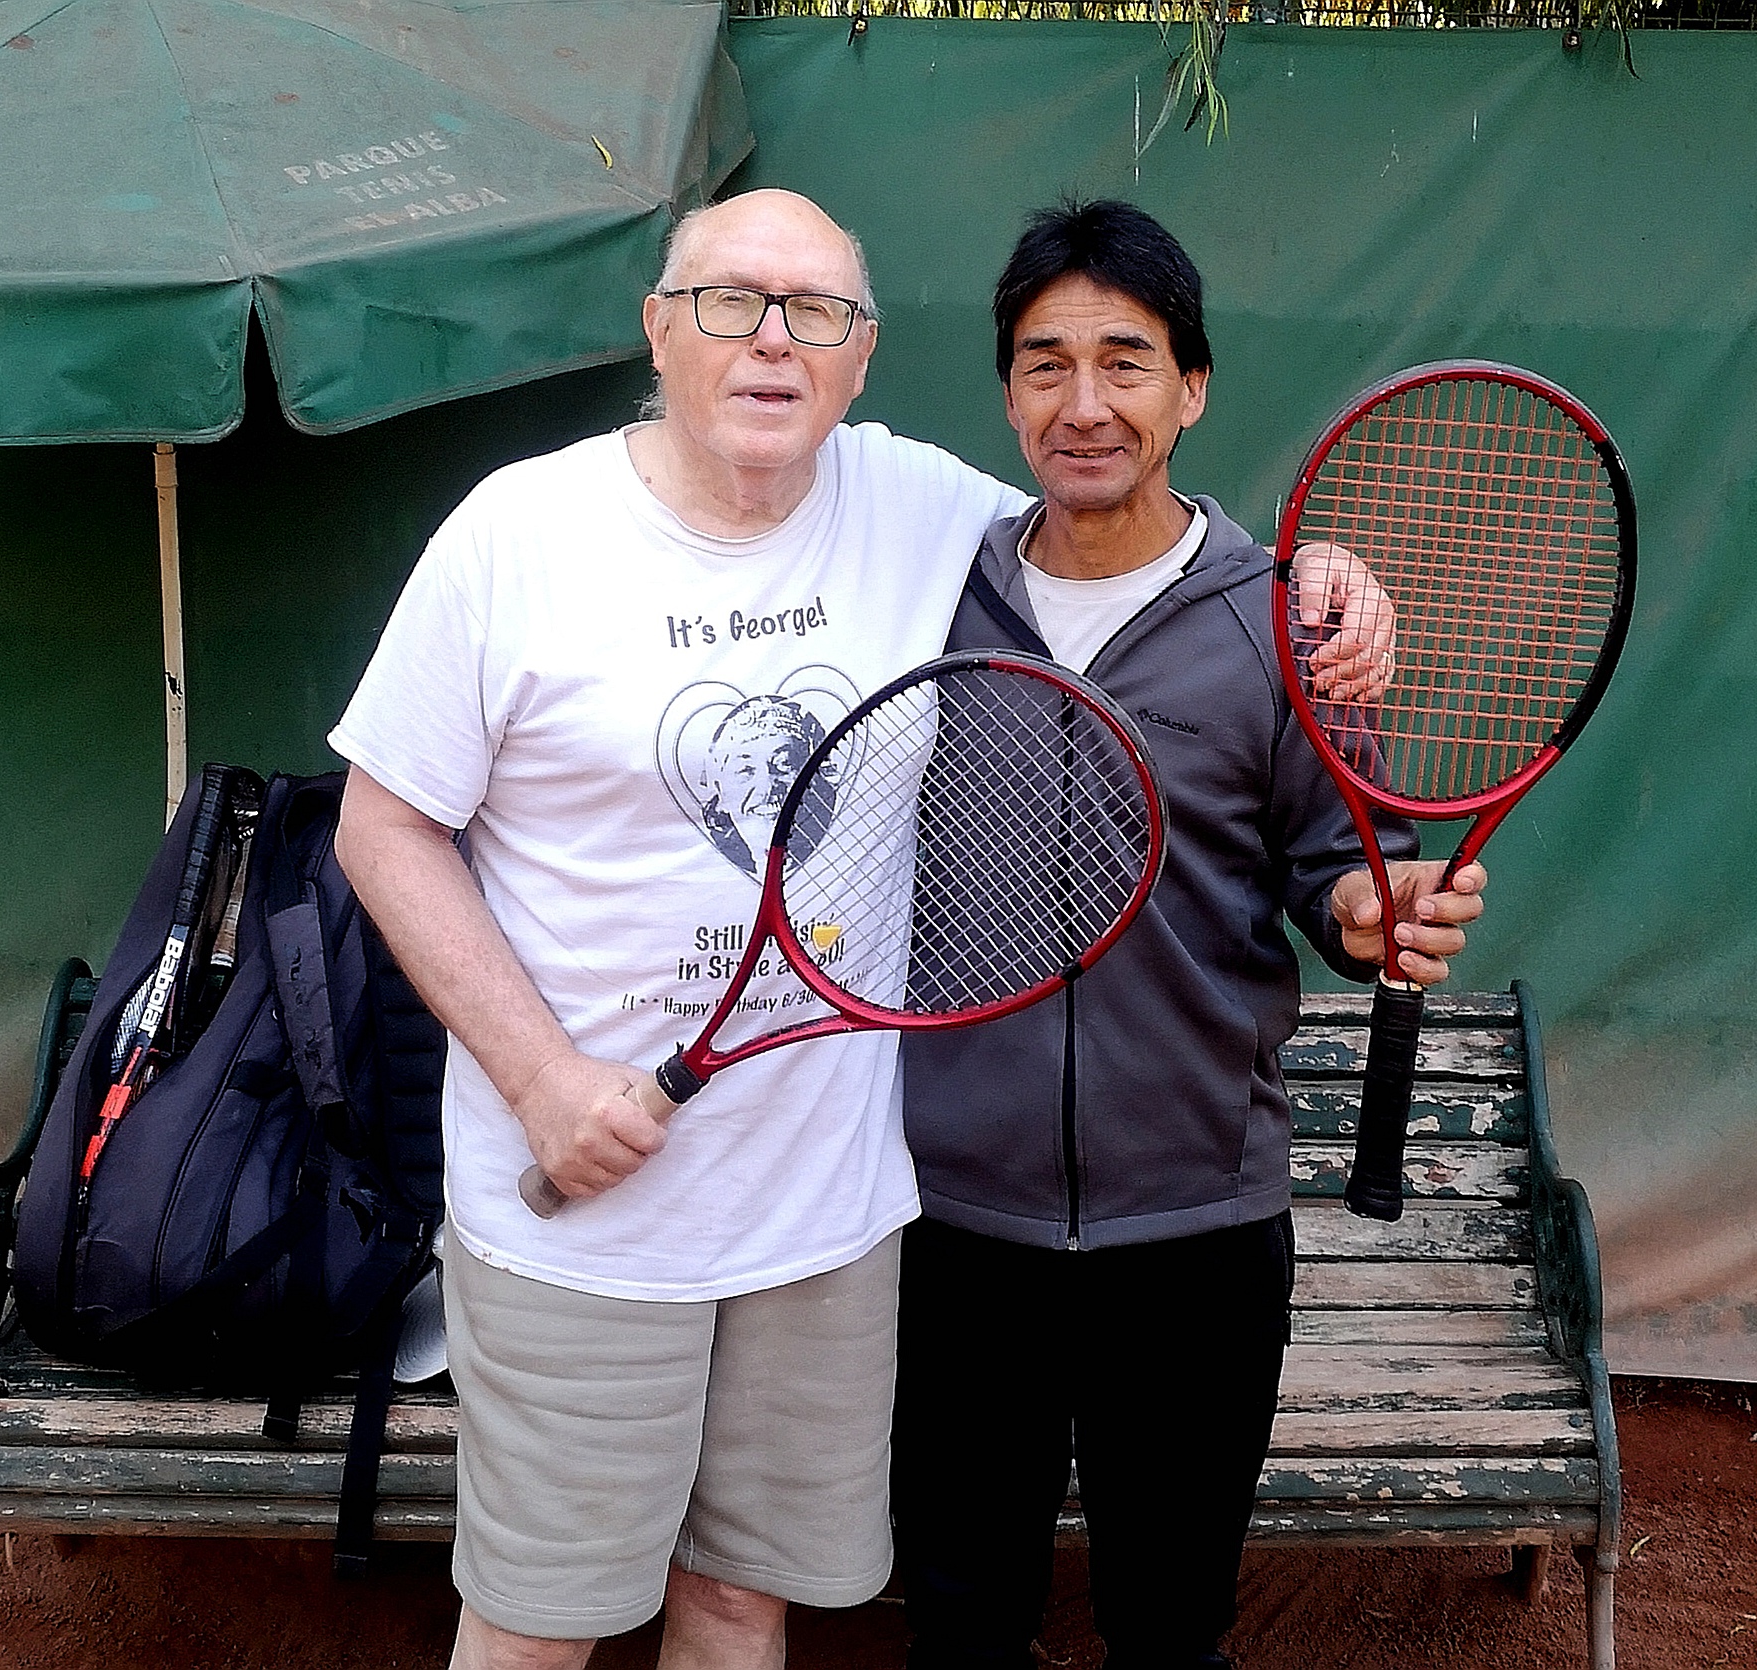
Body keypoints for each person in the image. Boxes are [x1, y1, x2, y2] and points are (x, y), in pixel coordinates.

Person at [331, 186, 1397, 1670]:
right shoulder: (519, 532)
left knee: (738, 1607)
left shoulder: (924, 513)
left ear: (861, 353)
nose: (772, 340)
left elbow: (1137, 538)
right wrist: (540, 1080)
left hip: (823, 1225)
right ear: (657, 325)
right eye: (729, 301)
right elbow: (380, 827)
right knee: (535, 1628)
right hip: (587, 1228)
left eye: (814, 312)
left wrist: (1321, 581)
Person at [891, 198, 1488, 1670]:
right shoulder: (914, 593)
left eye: (1126, 360)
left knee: (1169, 1626)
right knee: (962, 1622)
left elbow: (1341, 882)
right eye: (1044, 364)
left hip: (1200, 1234)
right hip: (954, 1229)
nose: (1083, 403)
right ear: (1006, 391)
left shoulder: (1288, 622)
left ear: (1194, 386)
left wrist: (1375, 915)